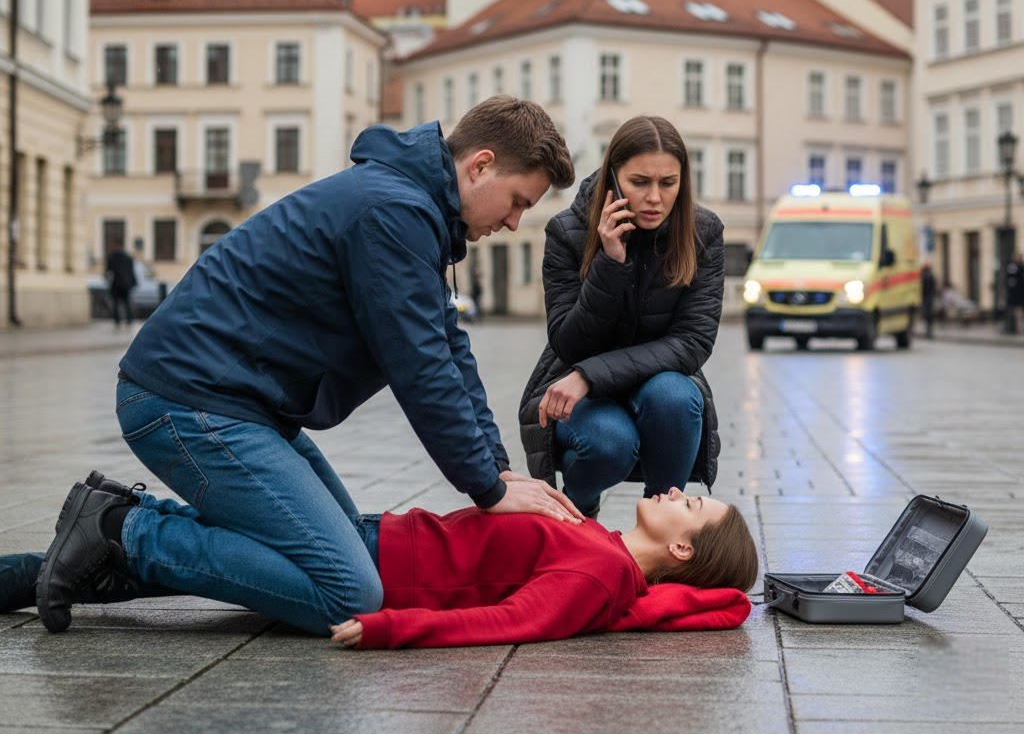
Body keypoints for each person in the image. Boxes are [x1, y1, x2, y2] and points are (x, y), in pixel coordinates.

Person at [35, 96, 581, 637]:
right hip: (187, 402)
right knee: (349, 592)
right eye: (518, 202)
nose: (515, 222)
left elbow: (450, 351)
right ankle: (119, 532)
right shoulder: (393, 212)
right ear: (480, 165)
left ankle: (102, 542)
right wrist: (486, 488)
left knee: (340, 551)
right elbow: (421, 366)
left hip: (234, 405)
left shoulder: (414, 210)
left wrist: (497, 470)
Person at [4, 472, 758, 647]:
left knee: (122, 565)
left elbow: (510, 622)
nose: (676, 490)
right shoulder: (598, 540)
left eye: (691, 504)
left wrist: (391, 628)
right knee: (181, 553)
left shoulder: (604, 575)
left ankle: (122, 528)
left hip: (371, 572)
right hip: (370, 541)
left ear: (682, 548)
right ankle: (121, 528)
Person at [519, 115, 724, 520]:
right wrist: (610, 264)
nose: (655, 198)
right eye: (639, 182)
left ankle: (660, 525)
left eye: (668, 183)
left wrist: (588, 375)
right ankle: (578, 516)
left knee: (677, 397)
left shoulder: (703, 233)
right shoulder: (567, 232)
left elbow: (693, 342)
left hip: (648, 384)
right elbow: (568, 344)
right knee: (609, 442)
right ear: (612, 177)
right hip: (585, 400)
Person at [105, 241, 137, 327]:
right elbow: (131, 272)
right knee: (126, 302)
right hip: (126, 284)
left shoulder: (112, 258)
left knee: (117, 303)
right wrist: (132, 282)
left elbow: (108, 271)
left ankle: (118, 320)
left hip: (117, 284)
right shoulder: (128, 258)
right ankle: (129, 319)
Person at [1005, 251, 1024, 335]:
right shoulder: (1012, 266)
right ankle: (1013, 327)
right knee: (1014, 310)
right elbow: (1008, 279)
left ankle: (1017, 327)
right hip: (1014, 293)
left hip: (1018, 293)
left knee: (1018, 310)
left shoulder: (1019, 267)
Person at [920, 260, 937, 338]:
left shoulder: (923, 275)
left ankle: (928, 331)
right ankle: (929, 331)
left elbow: (921, 287)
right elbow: (934, 286)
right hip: (930, 296)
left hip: (925, 296)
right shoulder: (930, 275)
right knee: (929, 315)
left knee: (926, 314)